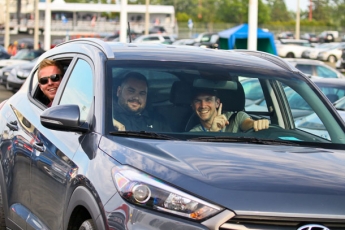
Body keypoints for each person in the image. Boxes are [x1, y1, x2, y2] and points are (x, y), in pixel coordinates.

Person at [190, 88, 269, 132]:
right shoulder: (193, 133)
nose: (203, 105)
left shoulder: (237, 117)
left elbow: (248, 124)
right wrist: (213, 132)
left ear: (217, 103)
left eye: (208, 100)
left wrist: (256, 124)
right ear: (193, 106)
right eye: (198, 101)